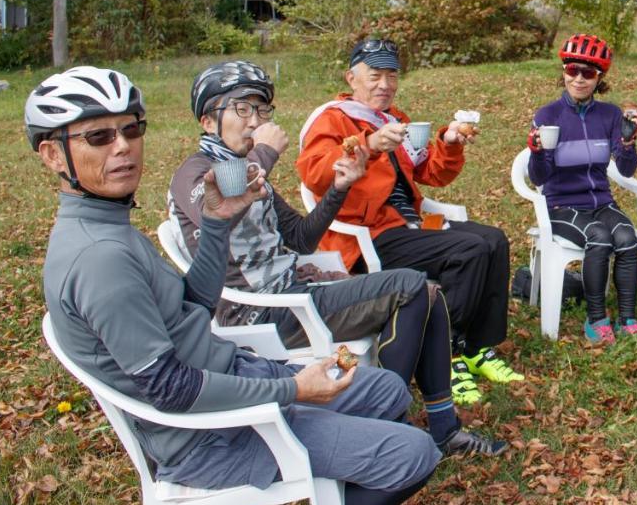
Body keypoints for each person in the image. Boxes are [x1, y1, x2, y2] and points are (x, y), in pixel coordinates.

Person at [31, 66, 440, 505]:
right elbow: (169, 388)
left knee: (388, 390)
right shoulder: (98, 258)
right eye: (98, 137)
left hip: (233, 375)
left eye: (131, 129)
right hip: (210, 435)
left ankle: (338, 471)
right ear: (54, 154)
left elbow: (194, 305)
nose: (122, 147)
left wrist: (217, 224)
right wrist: (292, 387)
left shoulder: (109, 229)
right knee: (415, 453)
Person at [169, 60, 504, 456]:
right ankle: (385, 424)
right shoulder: (195, 173)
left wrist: (341, 187)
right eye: (242, 109)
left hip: (295, 290)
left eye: (261, 110)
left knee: (427, 292)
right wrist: (263, 152)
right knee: (411, 284)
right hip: (260, 310)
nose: (255, 120)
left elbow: (301, 237)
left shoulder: (251, 172)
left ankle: (444, 429)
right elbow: (220, 207)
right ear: (209, 121)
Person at [297, 38, 521, 407]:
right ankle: (445, 355)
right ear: (351, 76)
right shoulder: (332, 119)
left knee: (493, 240)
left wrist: (449, 142)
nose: (384, 84)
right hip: (369, 234)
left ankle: (477, 348)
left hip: (411, 223)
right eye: (375, 76)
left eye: (392, 76)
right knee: (469, 250)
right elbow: (316, 174)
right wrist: (367, 145)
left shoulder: (395, 119)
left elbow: (431, 173)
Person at [527, 34, 637, 344]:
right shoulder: (547, 116)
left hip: (601, 201)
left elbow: (625, 169)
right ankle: (596, 319)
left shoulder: (609, 115)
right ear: (564, 71)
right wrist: (537, 151)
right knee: (600, 237)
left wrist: (629, 141)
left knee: (626, 237)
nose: (578, 79)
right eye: (572, 70)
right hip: (562, 205)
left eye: (588, 73)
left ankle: (628, 318)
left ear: (599, 78)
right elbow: (538, 179)